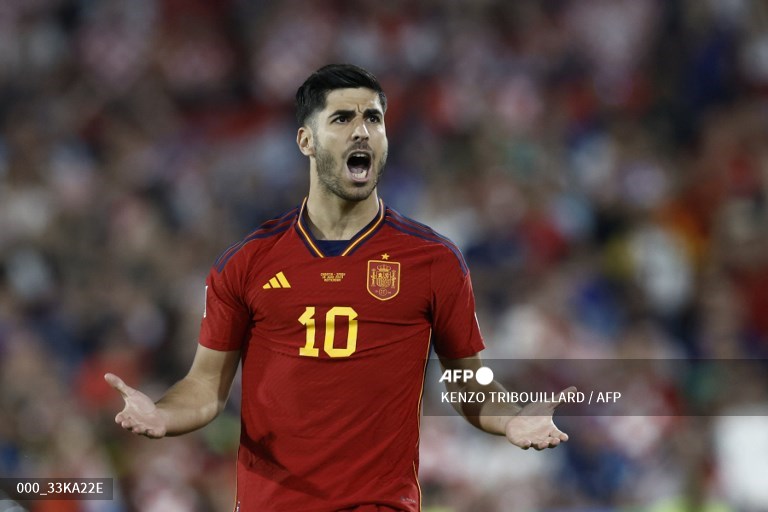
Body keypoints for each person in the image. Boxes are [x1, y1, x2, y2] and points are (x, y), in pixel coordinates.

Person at [105, 63, 574, 512]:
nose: (362, 131)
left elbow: (468, 383)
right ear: (306, 140)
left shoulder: (434, 261)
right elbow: (206, 387)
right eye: (343, 118)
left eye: (374, 119)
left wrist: (511, 419)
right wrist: (163, 415)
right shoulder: (247, 263)